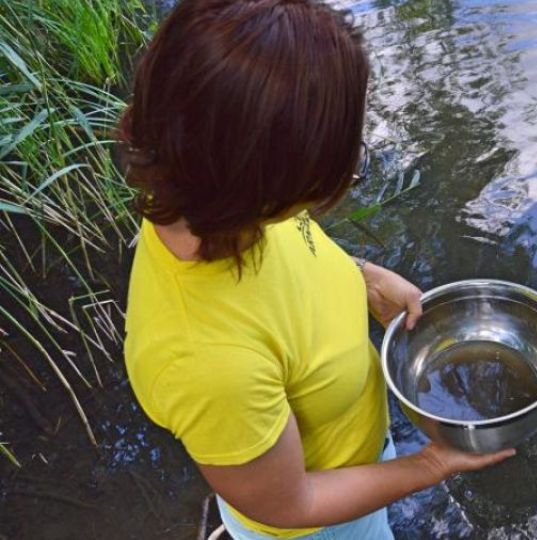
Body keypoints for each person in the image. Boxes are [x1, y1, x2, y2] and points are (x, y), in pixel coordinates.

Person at [120, 1, 514, 539]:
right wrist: (430, 466)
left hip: (351, 456)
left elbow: (279, 273)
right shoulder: (209, 364)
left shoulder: (203, 195)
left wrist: (363, 275)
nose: (348, 166)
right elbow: (291, 504)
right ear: (261, 181)